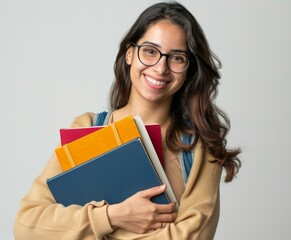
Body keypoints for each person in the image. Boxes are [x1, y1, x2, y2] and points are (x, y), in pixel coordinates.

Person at [14, 2, 241, 239]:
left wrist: (89, 231)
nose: (160, 68)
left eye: (176, 57)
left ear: (189, 68)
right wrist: (115, 216)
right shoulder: (87, 128)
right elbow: (27, 226)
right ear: (129, 53)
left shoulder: (199, 148)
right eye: (150, 51)